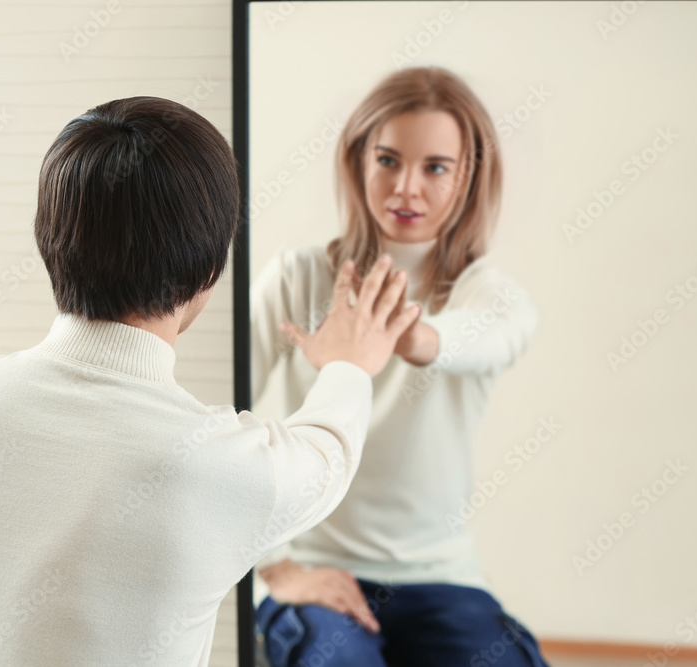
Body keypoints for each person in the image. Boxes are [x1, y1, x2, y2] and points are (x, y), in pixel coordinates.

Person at [0, 95, 422, 666]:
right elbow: (329, 454)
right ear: (212, 265)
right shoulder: (221, 466)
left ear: (47, 239)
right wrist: (349, 363)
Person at [251, 67, 549, 666]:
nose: (405, 188)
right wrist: (274, 569)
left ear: (469, 177)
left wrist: (416, 336)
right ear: (358, 160)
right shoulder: (297, 276)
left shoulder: (484, 294)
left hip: (442, 579)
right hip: (318, 570)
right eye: (388, 160)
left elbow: (495, 337)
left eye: (435, 167)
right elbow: (217, 416)